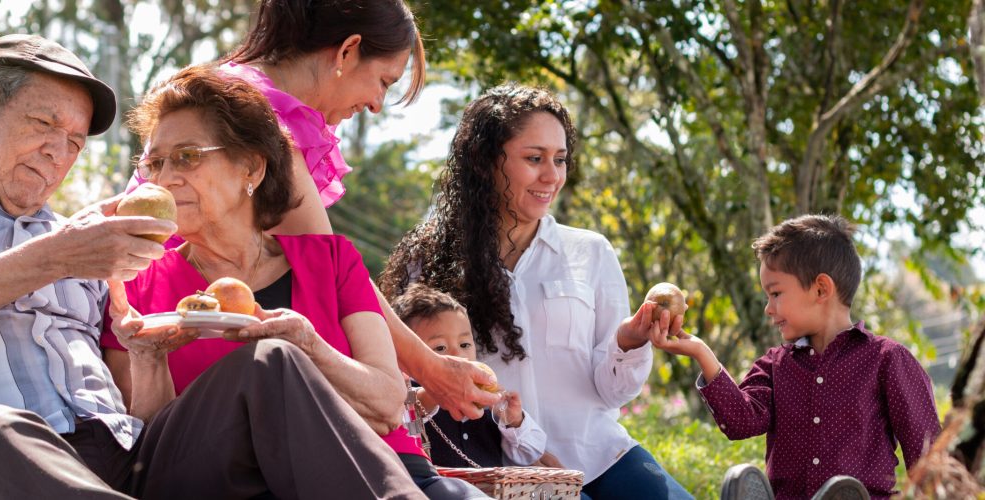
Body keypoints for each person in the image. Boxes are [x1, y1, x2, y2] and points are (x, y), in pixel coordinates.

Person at [0, 34, 420, 500]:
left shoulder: (81, 240)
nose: (60, 152)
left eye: (76, 141)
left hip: (126, 464)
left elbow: (141, 410)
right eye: (43, 125)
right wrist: (52, 257)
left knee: (271, 362)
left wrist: (146, 355)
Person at [101, 65, 486, 499]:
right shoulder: (136, 283)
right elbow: (159, 453)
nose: (165, 177)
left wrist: (310, 346)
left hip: (388, 468)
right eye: (154, 162)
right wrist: (148, 360)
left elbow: (387, 403)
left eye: (187, 156)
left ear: (251, 168)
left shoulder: (333, 260)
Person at [129, 0, 502, 421]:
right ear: (347, 51)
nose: (378, 103)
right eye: (383, 80)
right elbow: (333, 270)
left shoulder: (241, 98)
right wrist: (432, 369)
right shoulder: (256, 115)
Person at [381, 84, 693, 499]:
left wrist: (630, 341)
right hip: (497, 473)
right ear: (486, 161)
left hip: (601, 456)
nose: (552, 176)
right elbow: (407, 377)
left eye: (560, 160)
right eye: (534, 159)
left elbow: (614, 390)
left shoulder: (591, 253)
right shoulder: (430, 261)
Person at [651, 215, 942, 500]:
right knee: (744, 479)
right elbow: (741, 422)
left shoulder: (887, 359)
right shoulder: (775, 365)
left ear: (820, 289)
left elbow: (930, 459)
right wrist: (702, 352)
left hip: (861, 496)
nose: (768, 308)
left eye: (775, 293)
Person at [391, 283, 551, 468]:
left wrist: (513, 421)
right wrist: (433, 393)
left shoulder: (489, 408)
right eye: (440, 347)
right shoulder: (407, 393)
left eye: (465, 345)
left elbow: (529, 454)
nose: (458, 355)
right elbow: (405, 418)